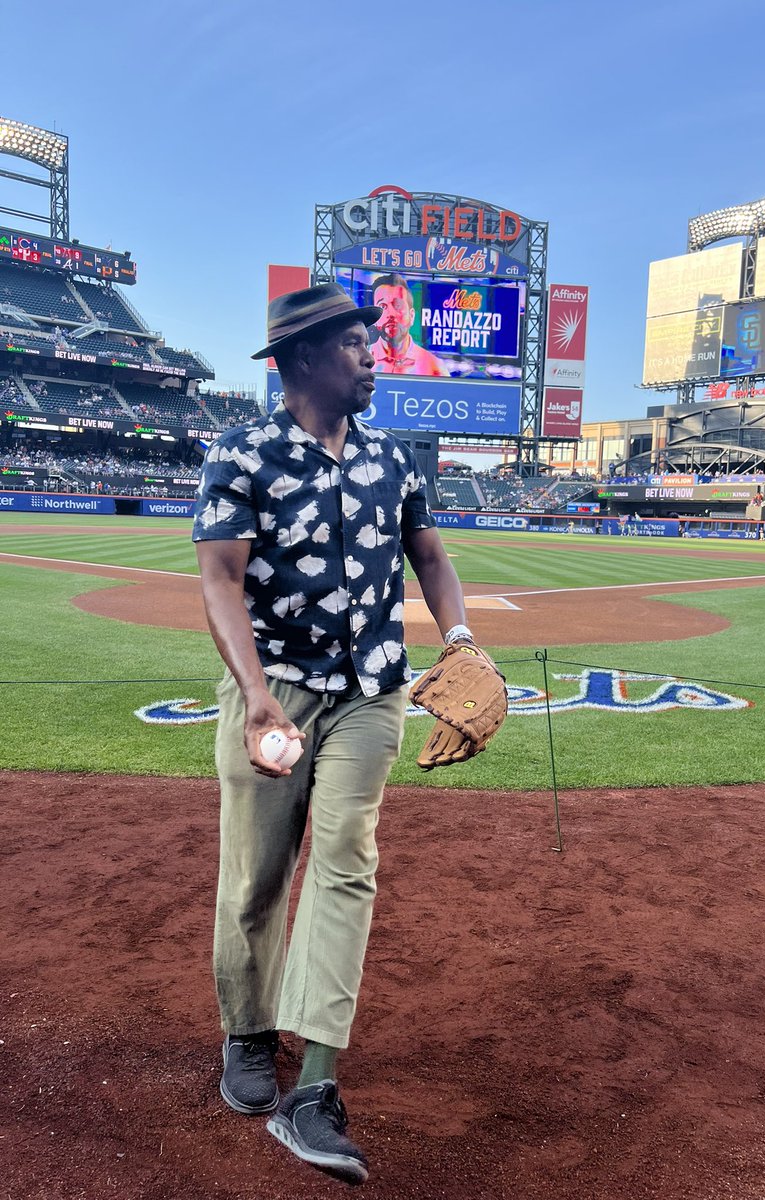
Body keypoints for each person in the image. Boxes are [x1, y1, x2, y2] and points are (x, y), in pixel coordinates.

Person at [193, 283, 474, 1186]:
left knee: (347, 856)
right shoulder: (241, 454)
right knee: (257, 875)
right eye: (356, 343)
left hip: (371, 691)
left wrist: (461, 640)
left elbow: (430, 557)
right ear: (304, 358)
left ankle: (315, 1087)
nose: (373, 356)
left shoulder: (393, 457)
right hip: (274, 691)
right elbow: (219, 581)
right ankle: (248, 1030)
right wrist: (255, 698)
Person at [369, 273, 448, 376]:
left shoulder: (434, 366)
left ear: (412, 316)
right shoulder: (360, 359)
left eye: (398, 305)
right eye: (383, 306)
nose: (391, 313)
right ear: (374, 317)